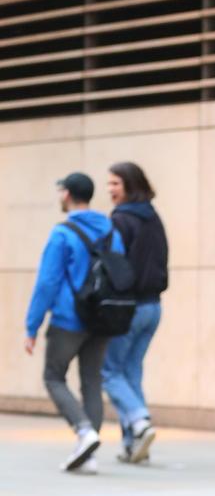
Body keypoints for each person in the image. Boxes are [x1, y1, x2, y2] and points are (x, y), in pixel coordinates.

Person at [24, 172, 125, 474]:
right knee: (91, 381)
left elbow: (48, 282)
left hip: (69, 319)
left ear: (67, 194)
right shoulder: (110, 230)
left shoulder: (62, 233)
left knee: (54, 376)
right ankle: (88, 455)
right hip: (102, 317)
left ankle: (84, 432)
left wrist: (32, 326)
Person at [101, 162, 168, 463]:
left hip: (130, 308)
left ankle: (140, 421)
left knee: (109, 371)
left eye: (115, 183)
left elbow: (115, 266)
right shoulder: (153, 218)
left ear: (130, 184)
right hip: (153, 307)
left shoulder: (120, 220)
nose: (110, 190)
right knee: (130, 371)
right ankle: (133, 444)